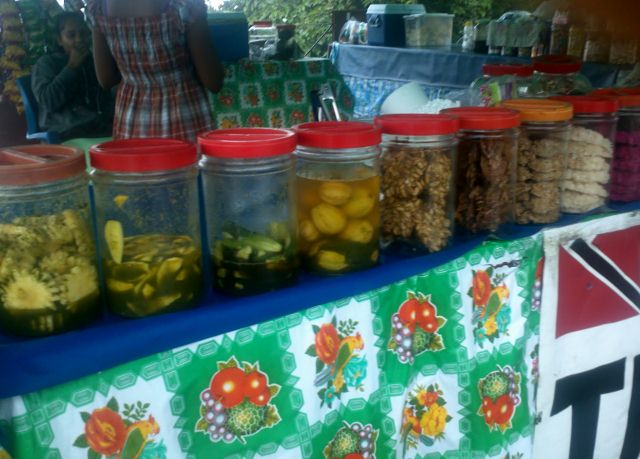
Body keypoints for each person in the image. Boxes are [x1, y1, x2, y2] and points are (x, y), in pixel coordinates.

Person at [86, 0, 224, 142]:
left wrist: (134, 70)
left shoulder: (99, 7)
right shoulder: (185, 5)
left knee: (134, 164)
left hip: (131, 123)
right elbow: (213, 81)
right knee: (187, 164)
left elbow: (106, 79)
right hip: (183, 118)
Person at [31, 12, 114, 141]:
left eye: (84, 33)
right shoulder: (46, 64)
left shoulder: (93, 62)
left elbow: (106, 98)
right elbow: (48, 101)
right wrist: (71, 67)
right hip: (67, 133)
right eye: (71, 35)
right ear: (59, 39)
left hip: (99, 129)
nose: (79, 39)